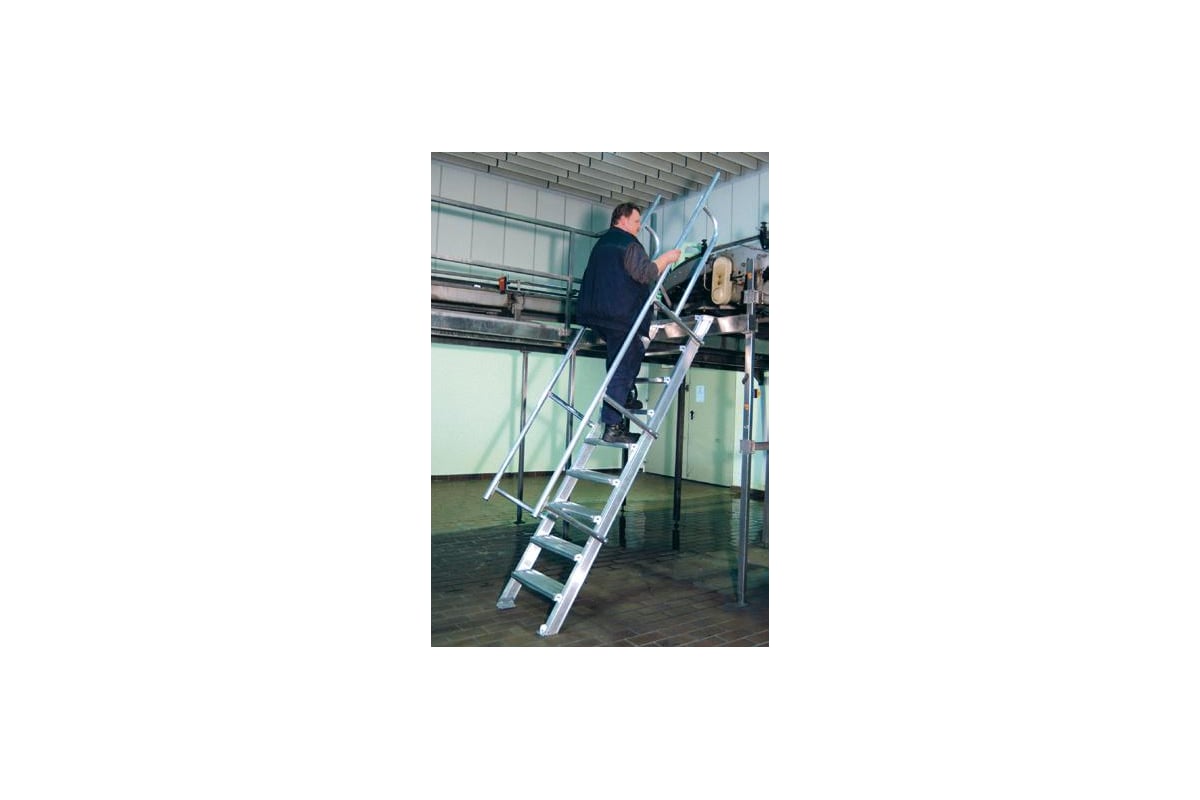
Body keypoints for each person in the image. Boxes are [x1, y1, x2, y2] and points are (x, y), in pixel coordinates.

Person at [575, 203, 681, 444]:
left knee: (620, 358)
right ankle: (613, 426)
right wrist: (667, 258)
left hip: (597, 314)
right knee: (626, 362)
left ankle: (624, 398)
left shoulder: (602, 244)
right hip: (620, 315)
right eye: (636, 221)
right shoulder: (628, 244)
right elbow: (646, 273)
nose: (639, 226)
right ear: (621, 220)